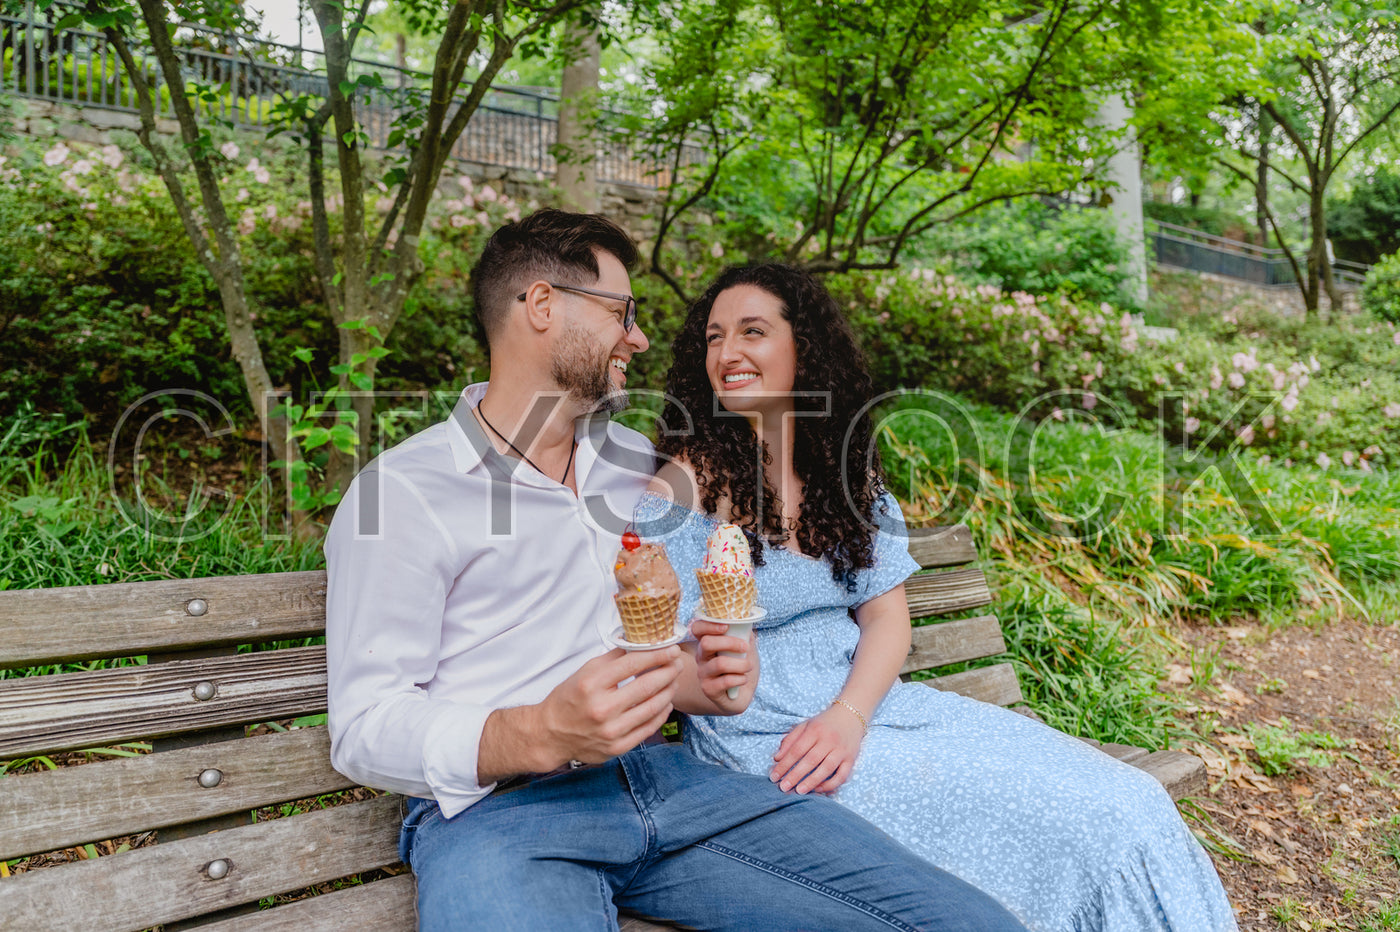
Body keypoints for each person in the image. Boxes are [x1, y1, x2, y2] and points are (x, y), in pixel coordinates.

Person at [323, 210, 1027, 931]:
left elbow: (684, 624)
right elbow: (363, 726)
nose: (641, 337)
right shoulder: (401, 493)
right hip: (500, 817)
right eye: (622, 313)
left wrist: (711, 681)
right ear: (541, 305)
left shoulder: (638, 465)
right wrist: (535, 732)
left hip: (670, 788)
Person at [637, 263, 1239, 932]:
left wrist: (849, 715)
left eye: (753, 331)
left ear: (805, 348)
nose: (728, 353)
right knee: (1083, 823)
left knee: (1131, 801)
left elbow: (887, 618)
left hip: (874, 713)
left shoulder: (841, 468)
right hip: (770, 748)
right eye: (715, 337)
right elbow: (660, 651)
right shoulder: (682, 487)